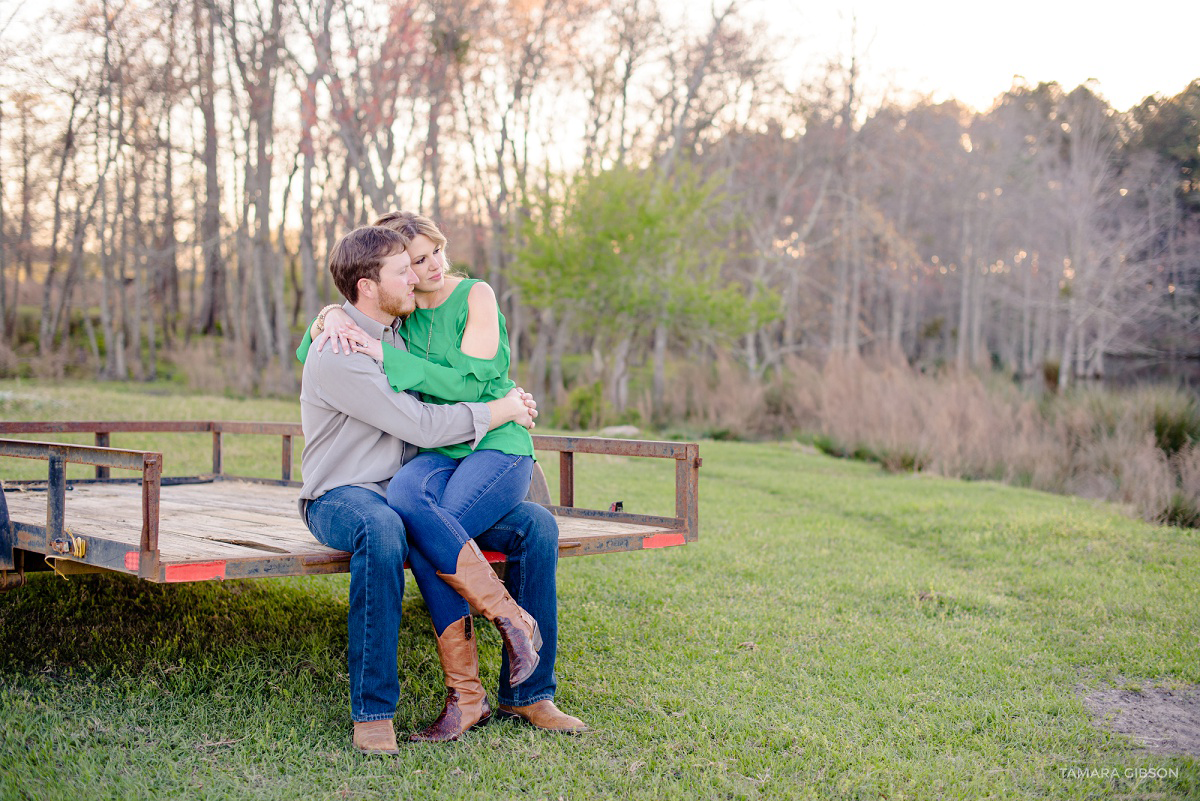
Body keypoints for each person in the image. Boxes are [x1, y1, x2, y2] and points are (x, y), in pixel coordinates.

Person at [299, 225, 586, 754]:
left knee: (536, 526)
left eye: (422, 262)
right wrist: (500, 410)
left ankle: (527, 692)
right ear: (367, 286)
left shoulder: (395, 329)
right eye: (403, 269)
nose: (419, 276)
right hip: (344, 493)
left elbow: (460, 374)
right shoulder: (341, 348)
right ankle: (374, 710)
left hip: (407, 484)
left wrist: (333, 309)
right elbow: (424, 427)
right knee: (387, 526)